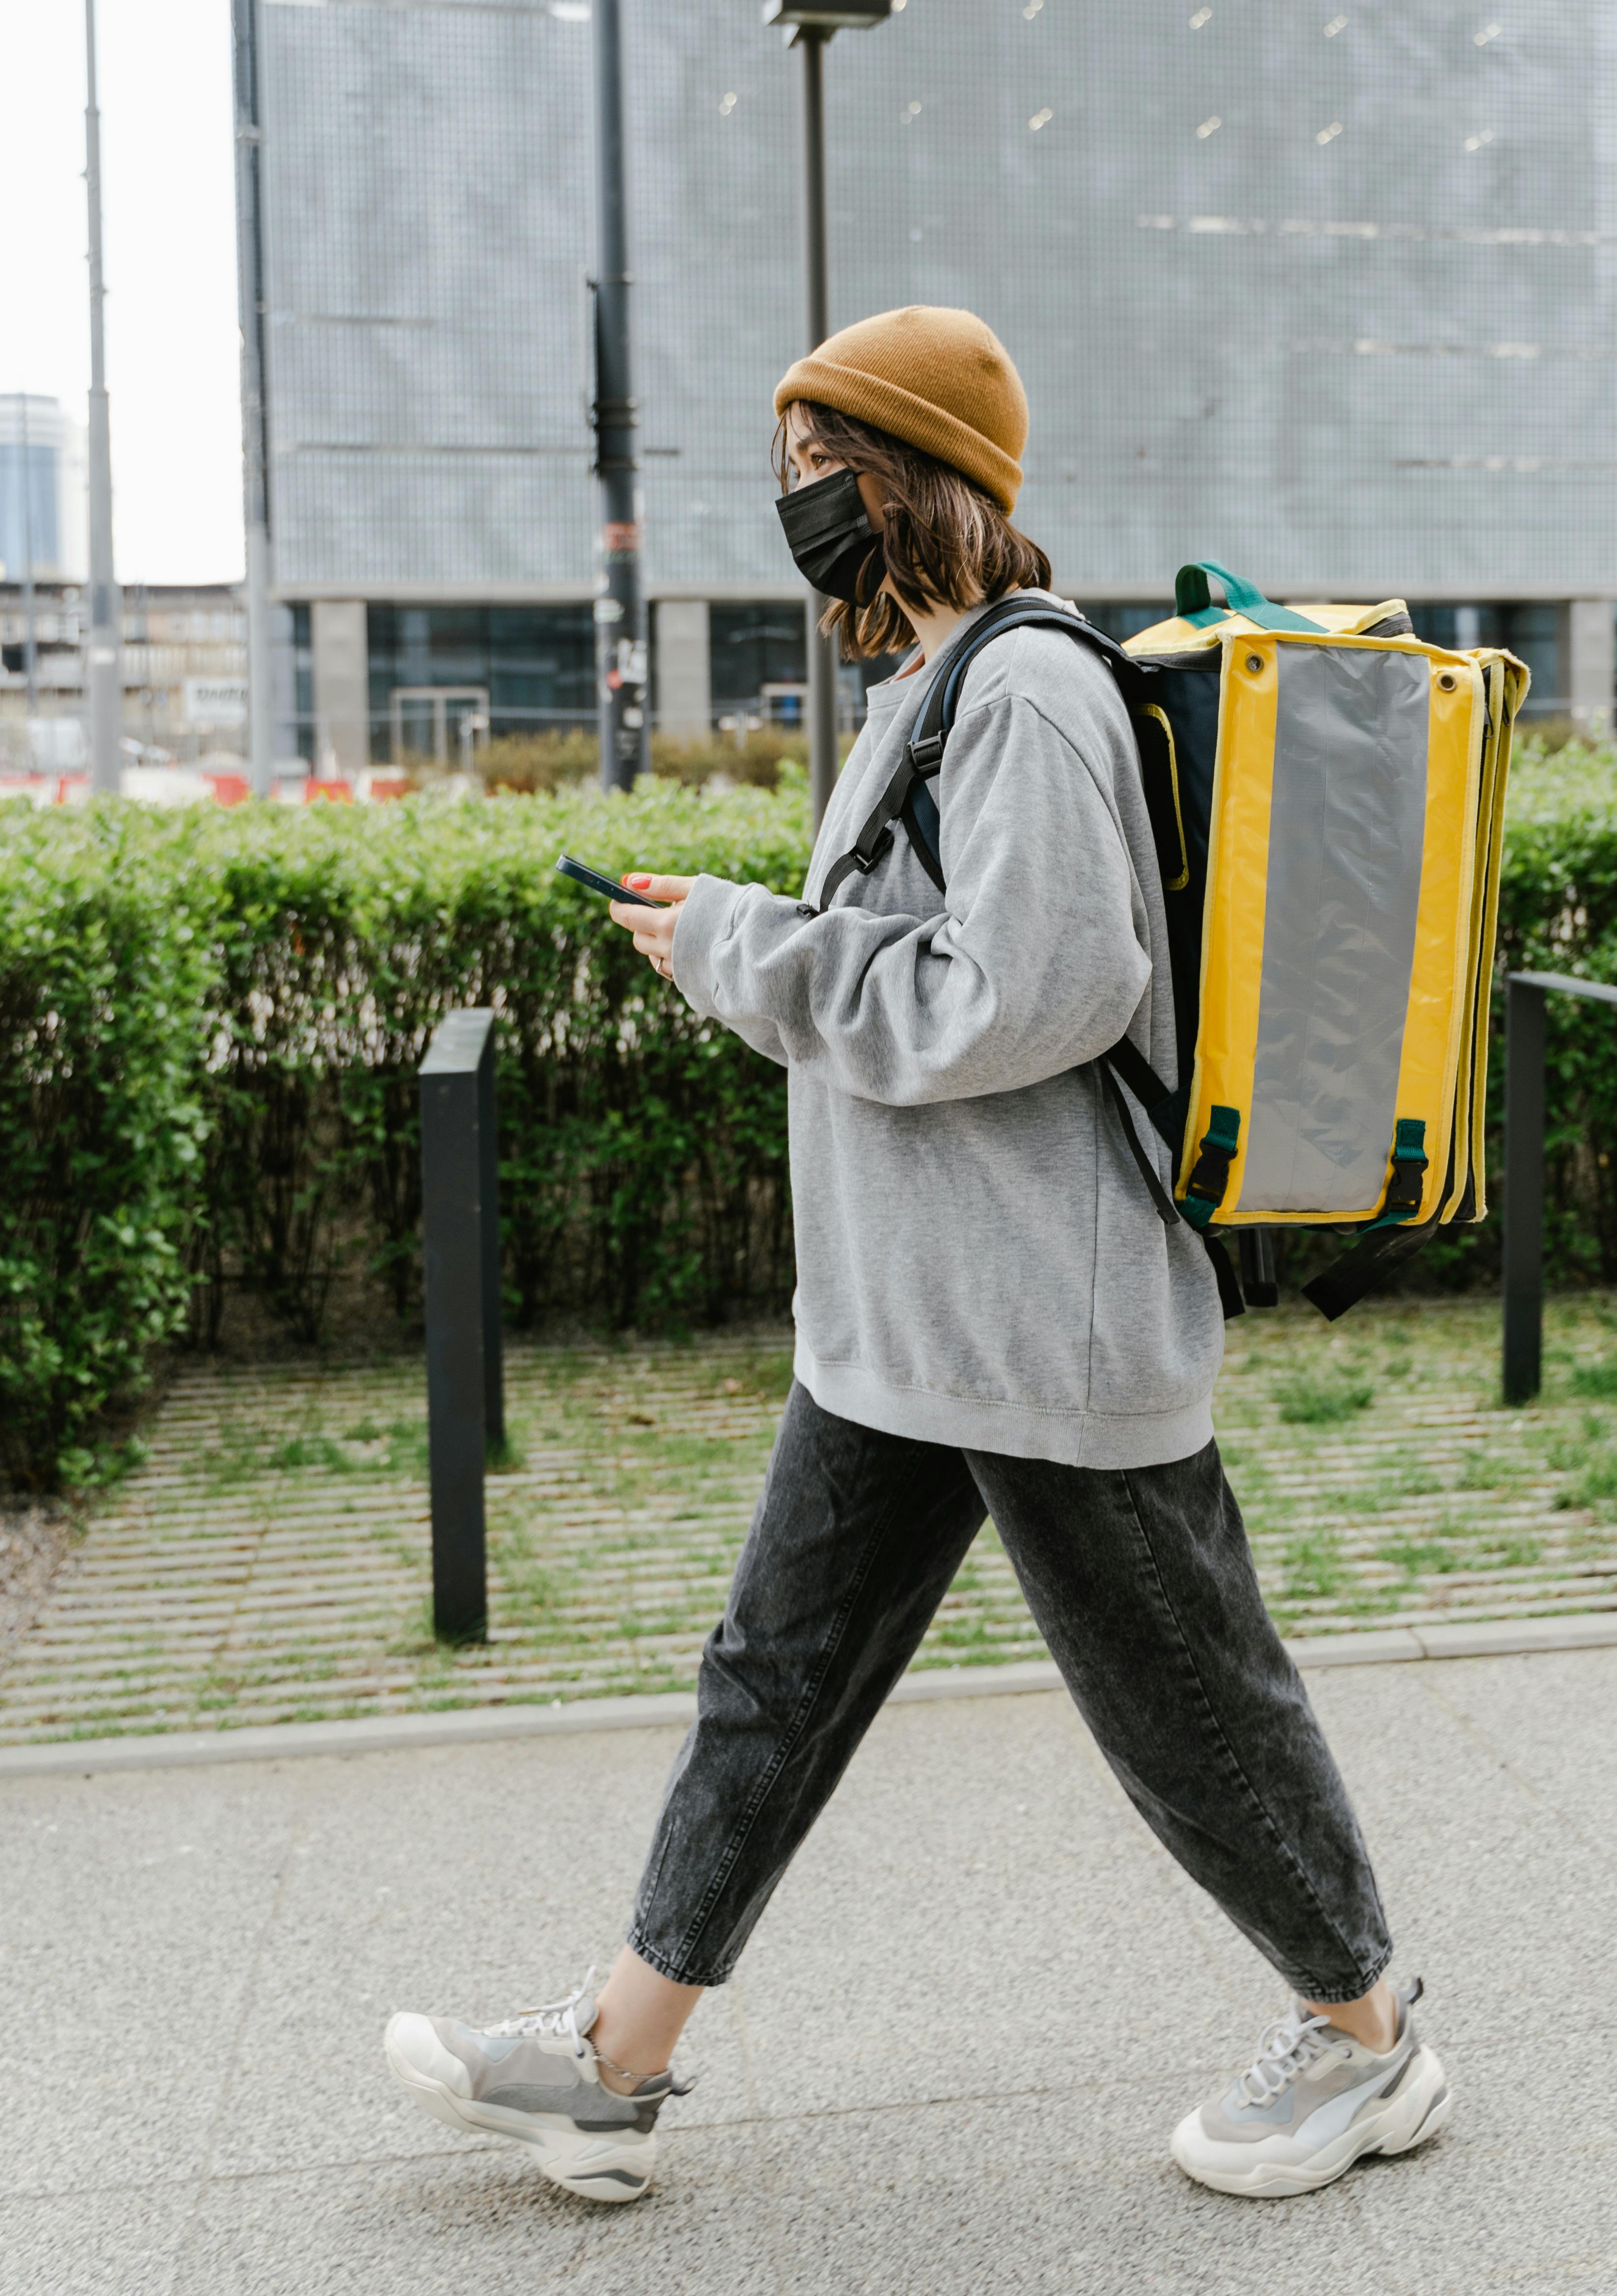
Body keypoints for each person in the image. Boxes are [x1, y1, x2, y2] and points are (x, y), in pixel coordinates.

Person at [385, 306, 1449, 2206]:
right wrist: (744, 934)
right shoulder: (928, 685)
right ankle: (613, 2068)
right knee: (769, 1682)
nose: (790, 501)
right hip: (900, 1326)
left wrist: (744, 949)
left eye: (814, 464)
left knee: (1187, 1707)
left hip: (1045, 1321)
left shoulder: (1028, 690)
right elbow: (913, 969)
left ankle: (1374, 2042)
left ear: (905, 477)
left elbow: (1040, 988)